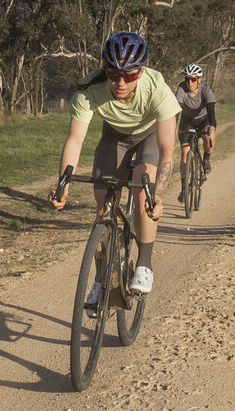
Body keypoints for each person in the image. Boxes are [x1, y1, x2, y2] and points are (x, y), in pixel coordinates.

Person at [48, 31, 181, 307]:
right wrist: (63, 186)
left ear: (141, 71)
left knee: (143, 193)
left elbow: (168, 148)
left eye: (129, 75)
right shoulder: (90, 89)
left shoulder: (157, 89)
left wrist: (160, 193)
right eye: (113, 73)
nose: (120, 82)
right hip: (115, 137)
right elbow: (74, 141)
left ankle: (144, 264)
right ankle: (100, 281)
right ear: (104, 69)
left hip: (149, 137)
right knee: (103, 209)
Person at [175, 63, 217, 176]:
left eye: (193, 79)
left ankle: (206, 159)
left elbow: (211, 112)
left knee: (209, 138)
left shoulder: (205, 89)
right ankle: (184, 189)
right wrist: (173, 125)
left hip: (204, 119)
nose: (189, 82)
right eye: (187, 79)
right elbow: (176, 108)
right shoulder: (181, 88)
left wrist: (212, 128)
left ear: (199, 79)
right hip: (187, 120)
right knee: (185, 154)